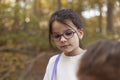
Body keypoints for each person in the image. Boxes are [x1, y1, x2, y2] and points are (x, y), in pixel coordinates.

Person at [43, 9, 86, 80]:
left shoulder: (93, 61)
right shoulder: (53, 62)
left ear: (80, 33)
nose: (62, 39)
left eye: (68, 33)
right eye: (57, 36)